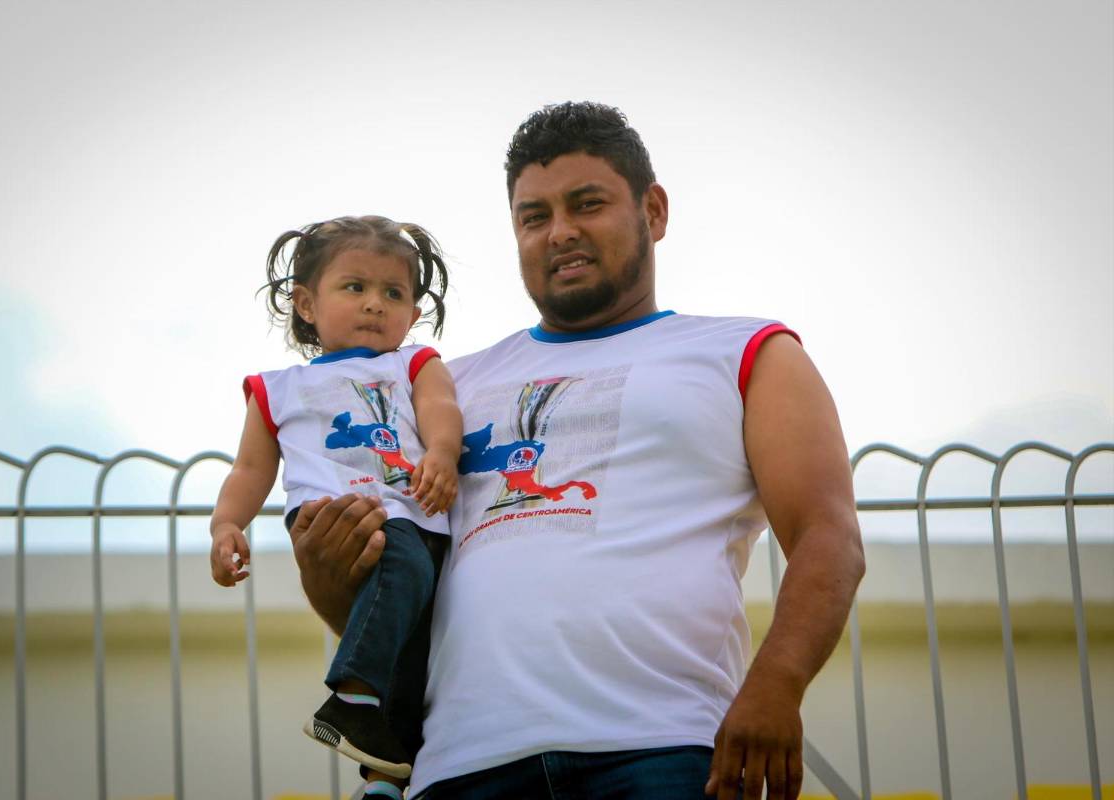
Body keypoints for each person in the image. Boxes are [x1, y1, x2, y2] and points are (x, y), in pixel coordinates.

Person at [287, 103, 866, 800]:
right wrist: (327, 579)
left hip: (664, 751)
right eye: (534, 217)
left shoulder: (747, 352)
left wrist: (776, 687)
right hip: (459, 768)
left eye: (586, 204)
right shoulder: (440, 386)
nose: (559, 232)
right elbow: (399, 591)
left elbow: (827, 537)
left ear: (653, 211)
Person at [208, 215, 462, 799]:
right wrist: (226, 524)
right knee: (405, 571)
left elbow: (441, 408)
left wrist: (443, 454)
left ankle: (381, 782)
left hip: (415, 510)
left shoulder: (413, 363)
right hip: (332, 515)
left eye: (393, 293)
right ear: (305, 303)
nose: (375, 304)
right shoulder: (278, 387)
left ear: (414, 312)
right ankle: (349, 695)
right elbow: (251, 469)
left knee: (415, 656)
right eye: (356, 287)